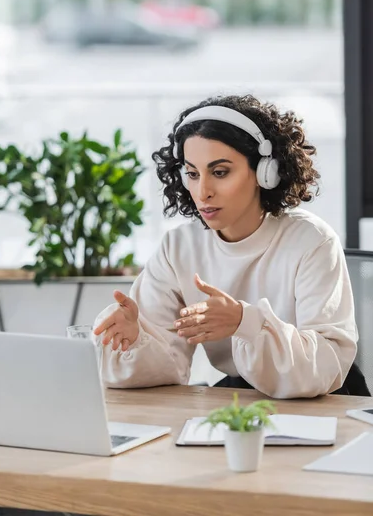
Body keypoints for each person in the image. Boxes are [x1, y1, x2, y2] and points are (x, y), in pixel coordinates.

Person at [93, 94, 363, 399]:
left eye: (220, 172)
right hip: (245, 397)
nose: (203, 191)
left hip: (327, 399)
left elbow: (326, 364)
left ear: (266, 172)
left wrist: (243, 322)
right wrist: (135, 338)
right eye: (192, 174)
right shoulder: (179, 247)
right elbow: (167, 364)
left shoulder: (312, 241)